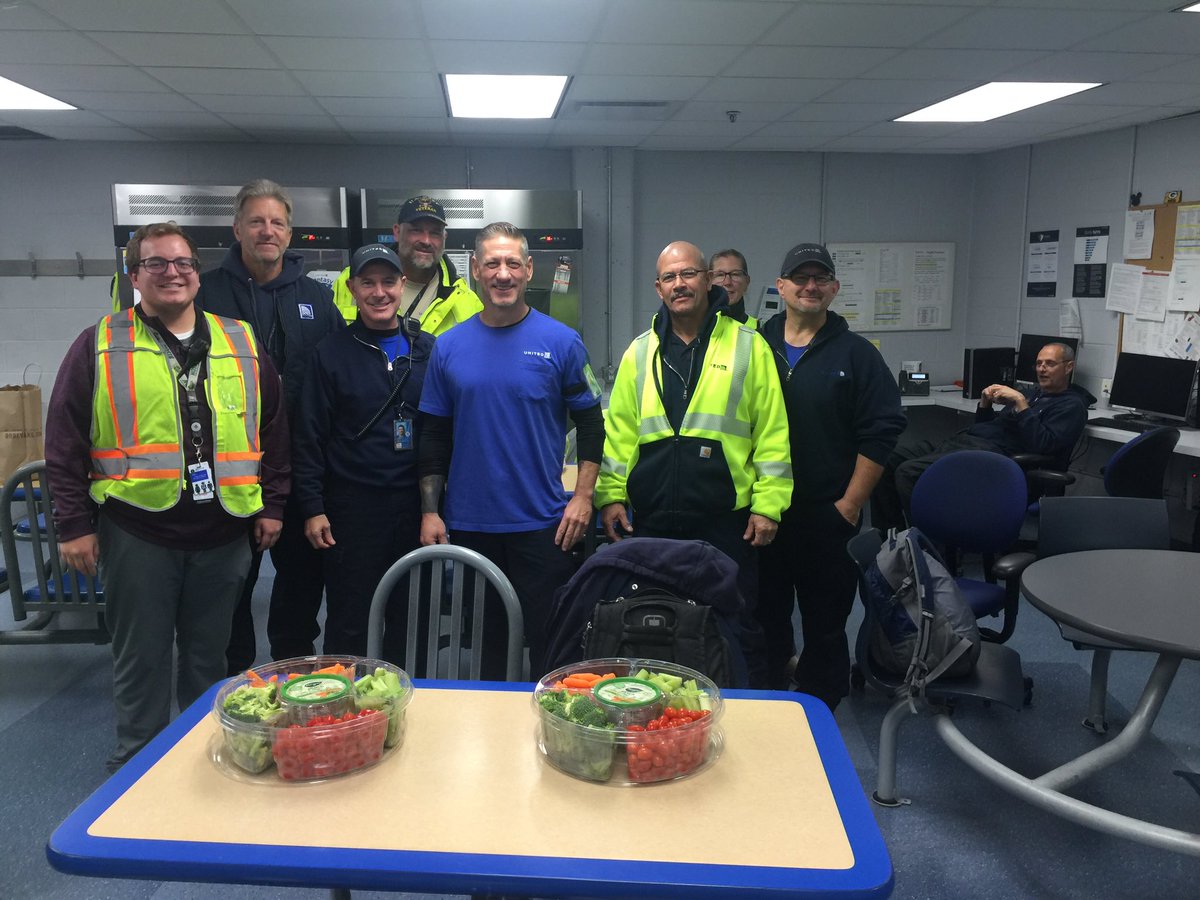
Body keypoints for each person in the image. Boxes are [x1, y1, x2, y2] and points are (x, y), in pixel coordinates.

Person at [45, 222, 289, 771]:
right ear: (135, 275)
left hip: (223, 533)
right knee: (141, 659)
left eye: (182, 263)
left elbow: (273, 430)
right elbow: (63, 441)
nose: (172, 273)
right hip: (138, 531)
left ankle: (203, 763)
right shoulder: (100, 343)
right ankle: (138, 769)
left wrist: (272, 503)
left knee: (209, 658)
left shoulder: (241, 342)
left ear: (197, 275)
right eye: (156, 264)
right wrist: (73, 525)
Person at [595, 240, 792, 678]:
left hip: (726, 521)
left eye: (688, 274)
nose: (679, 284)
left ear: (707, 280)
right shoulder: (639, 351)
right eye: (669, 277)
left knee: (735, 624)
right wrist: (610, 496)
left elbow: (773, 433)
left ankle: (744, 714)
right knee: (658, 626)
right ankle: (667, 718)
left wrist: (768, 505)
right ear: (658, 287)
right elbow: (620, 432)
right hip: (654, 521)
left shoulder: (748, 347)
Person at [417, 221, 604, 678]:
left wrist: (582, 497)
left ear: (529, 270)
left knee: (551, 648)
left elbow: (592, 423)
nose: (504, 274)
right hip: (471, 525)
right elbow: (434, 434)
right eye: (493, 263)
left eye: (513, 263)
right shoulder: (449, 347)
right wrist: (429, 510)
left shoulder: (562, 342)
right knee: (485, 649)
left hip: (543, 525)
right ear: (476, 269)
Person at [195, 178, 344, 672]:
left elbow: (334, 387)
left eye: (277, 222)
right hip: (229, 475)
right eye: (256, 221)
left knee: (301, 590)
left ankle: (293, 677)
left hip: (302, 474)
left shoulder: (317, 301)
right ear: (237, 228)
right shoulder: (205, 295)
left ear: (289, 232)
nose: (267, 230)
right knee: (229, 593)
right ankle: (233, 689)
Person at [756, 243, 906, 705]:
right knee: (765, 615)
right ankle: (769, 696)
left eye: (820, 278)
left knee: (826, 621)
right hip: (764, 512)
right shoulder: (754, 347)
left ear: (834, 289)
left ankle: (821, 706)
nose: (810, 286)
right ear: (781, 287)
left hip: (828, 515)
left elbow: (882, 432)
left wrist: (851, 503)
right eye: (800, 278)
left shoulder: (857, 355)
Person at [292, 244, 434, 659]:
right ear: (352, 288)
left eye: (388, 282)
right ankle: (351, 718)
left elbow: (441, 432)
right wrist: (313, 506)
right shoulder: (331, 352)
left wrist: (436, 506)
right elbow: (309, 435)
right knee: (351, 620)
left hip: (414, 507)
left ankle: (417, 708)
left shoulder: (427, 349)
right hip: (351, 510)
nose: (379, 292)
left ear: (402, 285)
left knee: (413, 621)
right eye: (367, 283)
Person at [872, 341, 1093, 532]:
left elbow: (1043, 445)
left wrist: (1021, 405)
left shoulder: (1071, 406)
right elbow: (986, 428)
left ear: (1069, 367)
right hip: (966, 443)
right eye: (1039, 363)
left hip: (993, 459)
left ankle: (923, 542)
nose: (1042, 369)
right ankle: (891, 536)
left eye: (1050, 364)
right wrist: (985, 404)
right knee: (884, 460)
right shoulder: (1033, 394)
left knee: (908, 472)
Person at [328, 195, 483, 335]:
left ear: (444, 237)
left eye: (435, 233)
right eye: (416, 230)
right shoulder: (349, 281)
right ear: (397, 232)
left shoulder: (465, 300)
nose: (426, 241)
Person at [708, 248, 757, 327]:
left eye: (735, 274)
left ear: (747, 281)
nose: (727, 282)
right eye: (720, 275)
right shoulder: (694, 328)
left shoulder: (761, 331)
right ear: (709, 281)